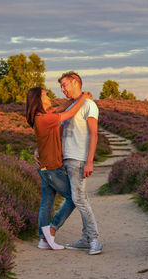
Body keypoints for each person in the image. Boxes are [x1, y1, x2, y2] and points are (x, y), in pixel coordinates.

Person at [43, 71, 102, 255]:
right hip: (66, 159)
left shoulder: (89, 105)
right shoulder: (71, 107)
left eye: (64, 85)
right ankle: (86, 238)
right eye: (61, 86)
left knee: (79, 199)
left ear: (75, 82)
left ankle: (94, 240)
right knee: (76, 198)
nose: (62, 89)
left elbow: (94, 134)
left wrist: (89, 161)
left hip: (78, 158)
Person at [25, 86, 90, 250]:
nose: (48, 96)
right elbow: (69, 113)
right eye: (45, 95)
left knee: (46, 204)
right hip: (53, 169)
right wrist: (82, 98)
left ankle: (43, 240)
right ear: (38, 100)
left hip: (45, 169)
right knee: (73, 198)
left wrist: (76, 97)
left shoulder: (44, 115)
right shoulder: (44, 119)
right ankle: (51, 231)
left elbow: (60, 108)